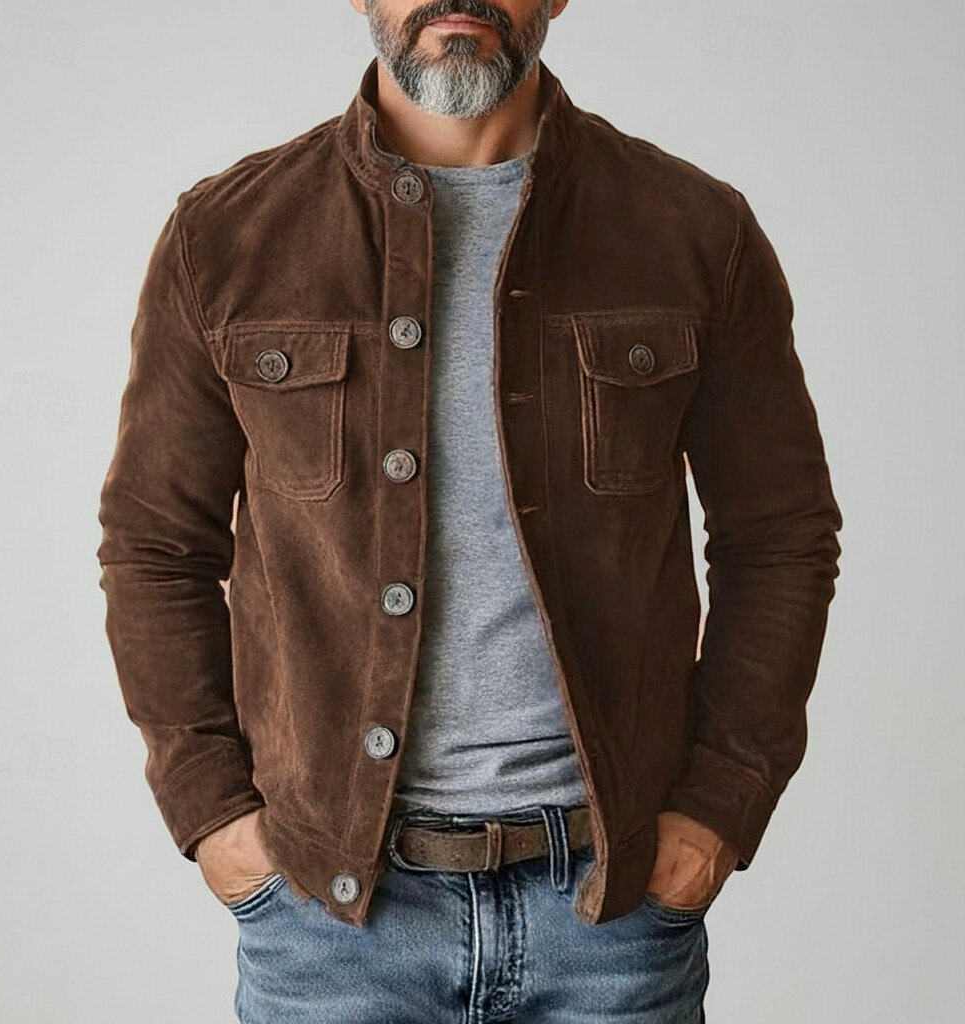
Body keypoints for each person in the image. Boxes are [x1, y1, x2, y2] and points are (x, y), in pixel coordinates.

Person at [96, 1, 842, 1021]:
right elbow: (154, 545)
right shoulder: (226, 237)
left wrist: (720, 804)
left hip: (612, 916)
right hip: (330, 927)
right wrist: (213, 811)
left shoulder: (692, 230)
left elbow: (779, 538)